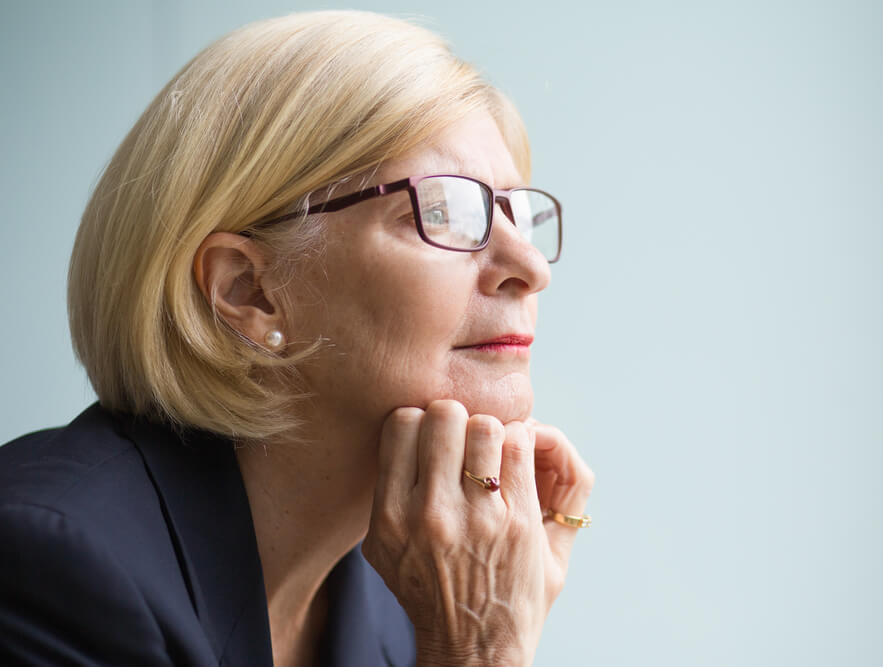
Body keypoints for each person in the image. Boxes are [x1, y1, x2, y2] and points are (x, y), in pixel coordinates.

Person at [0, 10, 594, 667]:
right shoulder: (46, 568)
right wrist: (481, 650)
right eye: (448, 212)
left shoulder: (418, 584)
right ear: (248, 291)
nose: (531, 269)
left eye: (516, 212)